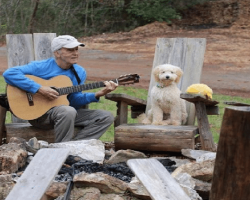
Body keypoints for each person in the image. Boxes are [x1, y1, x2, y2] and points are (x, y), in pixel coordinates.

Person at [3, 35, 118, 143]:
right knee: (67, 111)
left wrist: (97, 94)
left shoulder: (79, 72)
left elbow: (74, 100)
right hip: (39, 116)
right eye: (70, 50)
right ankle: (62, 150)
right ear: (57, 53)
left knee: (105, 116)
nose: (75, 53)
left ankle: (77, 146)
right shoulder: (42, 66)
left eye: (76, 49)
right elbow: (9, 73)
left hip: (64, 115)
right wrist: (39, 89)